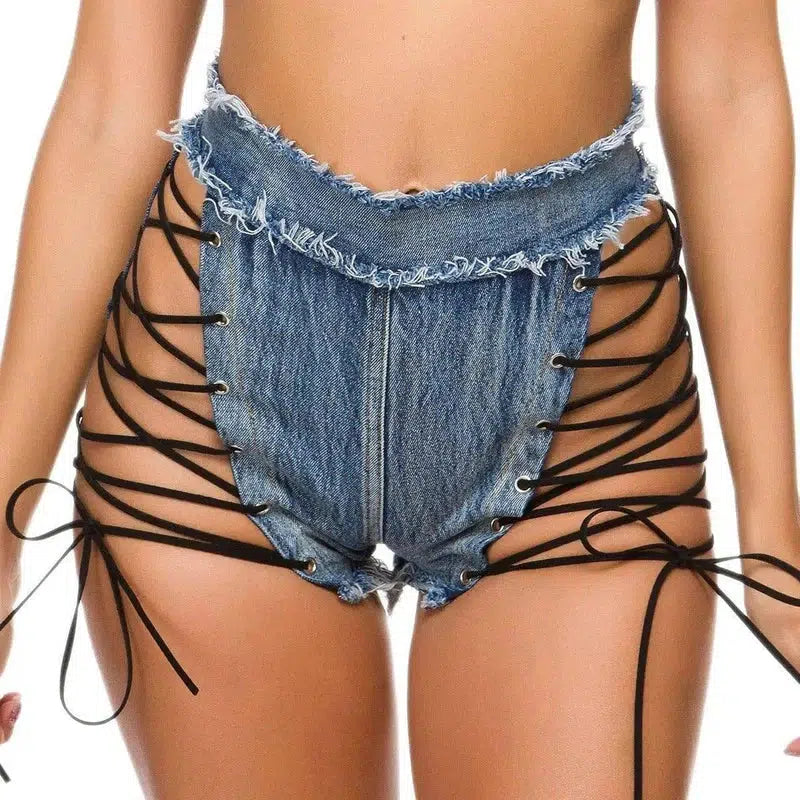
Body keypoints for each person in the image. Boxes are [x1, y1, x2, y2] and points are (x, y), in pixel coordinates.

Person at [0, 1, 797, 798]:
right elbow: (110, 103)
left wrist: (778, 558)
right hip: (208, 379)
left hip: (586, 414)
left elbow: (730, 90)